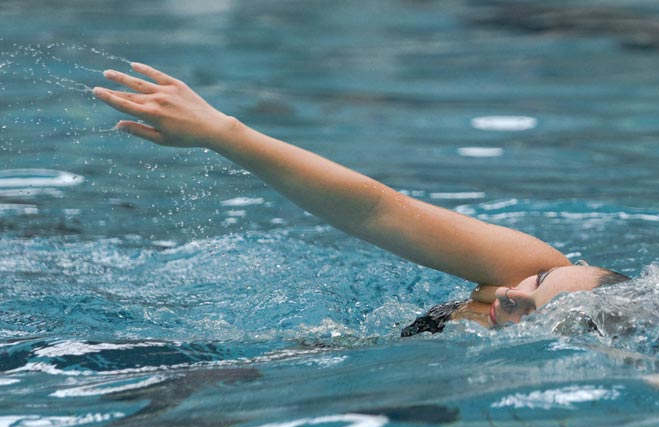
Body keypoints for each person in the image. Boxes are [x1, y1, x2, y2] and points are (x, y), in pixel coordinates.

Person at [92, 63, 629, 336]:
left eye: (530, 309)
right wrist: (223, 132)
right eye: (535, 284)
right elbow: (377, 208)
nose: (509, 294)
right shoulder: (518, 274)